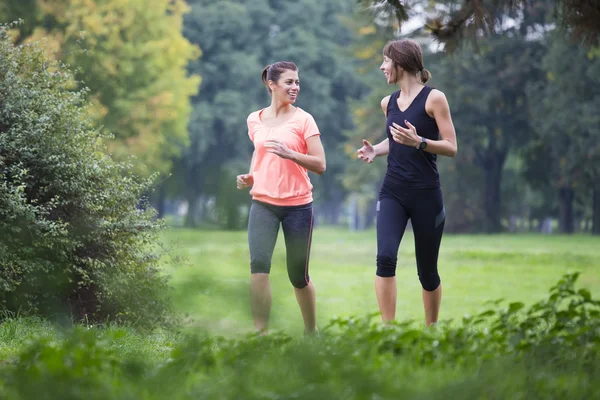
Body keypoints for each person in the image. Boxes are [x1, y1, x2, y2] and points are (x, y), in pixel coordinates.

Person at [357, 39, 458, 326]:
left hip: (426, 194)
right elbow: (396, 140)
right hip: (393, 192)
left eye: (385, 60)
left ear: (400, 63)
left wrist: (421, 142)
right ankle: (388, 330)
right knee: (385, 258)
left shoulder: (434, 98)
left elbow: (451, 146)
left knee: (427, 272)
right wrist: (375, 149)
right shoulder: (387, 102)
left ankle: (431, 331)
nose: (382, 66)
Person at [237, 61, 326, 335]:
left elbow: (320, 164)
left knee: (298, 276)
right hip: (263, 203)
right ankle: (261, 335)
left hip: (298, 206)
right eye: (289, 82)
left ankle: (311, 332)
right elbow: (259, 151)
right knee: (258, 268)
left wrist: (291, 154)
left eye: (297, 82)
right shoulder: (255, 119)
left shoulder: (304, 119)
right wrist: (251, 175)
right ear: (271, 84)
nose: (295, 87)